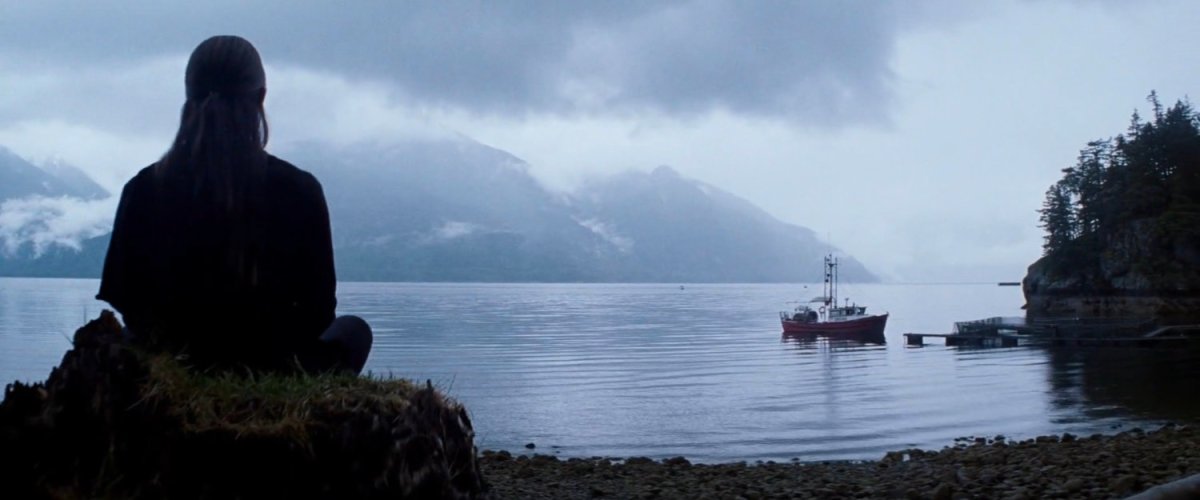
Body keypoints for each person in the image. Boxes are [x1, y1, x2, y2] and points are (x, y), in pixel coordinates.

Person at [97, 35, 371, 374]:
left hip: (176, 361)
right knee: (354, 330)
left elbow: (124, 297)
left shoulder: (142, 189)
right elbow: (319, 313)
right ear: (260, 97)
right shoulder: (299, 190)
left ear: (188, 95)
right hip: (275, 367)